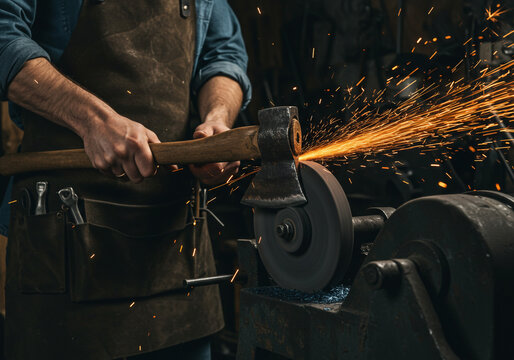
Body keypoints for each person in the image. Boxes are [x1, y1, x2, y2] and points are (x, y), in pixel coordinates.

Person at [0, 0, 251, 359]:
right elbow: (4, 37)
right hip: (63, 254)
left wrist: (217, 119)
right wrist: (93, 120)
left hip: (177, 251)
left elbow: (223, 55)